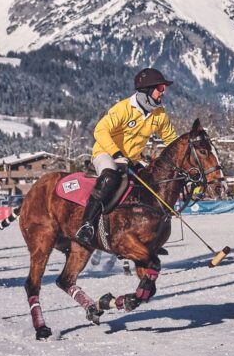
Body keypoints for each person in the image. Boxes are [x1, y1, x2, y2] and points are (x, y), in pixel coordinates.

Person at [75, 67, 178, 246]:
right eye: (160, 88)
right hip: (106, 153)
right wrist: (116, 153)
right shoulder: (123, 109)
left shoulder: (159, 114)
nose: (163, 92)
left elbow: (171, 140)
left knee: (150, 182)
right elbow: (100, 130)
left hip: (132, 158)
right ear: (147, 91)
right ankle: (87, 225)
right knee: (109, 176)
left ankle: (143, 233)